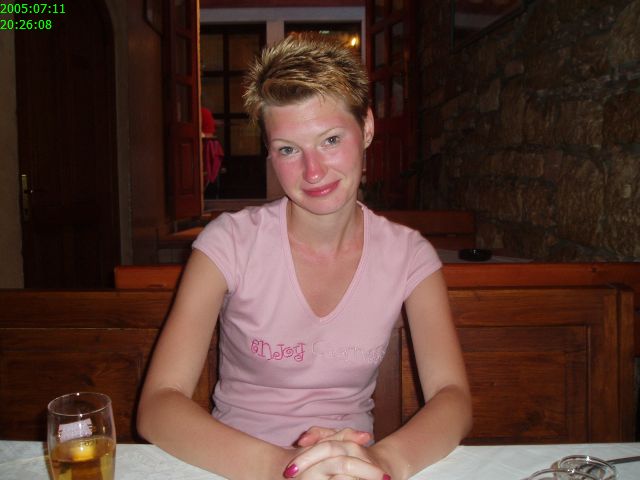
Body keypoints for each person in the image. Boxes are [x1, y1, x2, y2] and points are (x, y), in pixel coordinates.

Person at [137, 33, 472, 480]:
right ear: (270, 151)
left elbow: (453, 395)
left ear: (367, 128)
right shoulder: (229, 243)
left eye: (330, 140)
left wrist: (384, 461)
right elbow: (158, 404)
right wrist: (284, 468)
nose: (313, 172)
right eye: (288, 149)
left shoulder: (410, 256)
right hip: (234, 469)